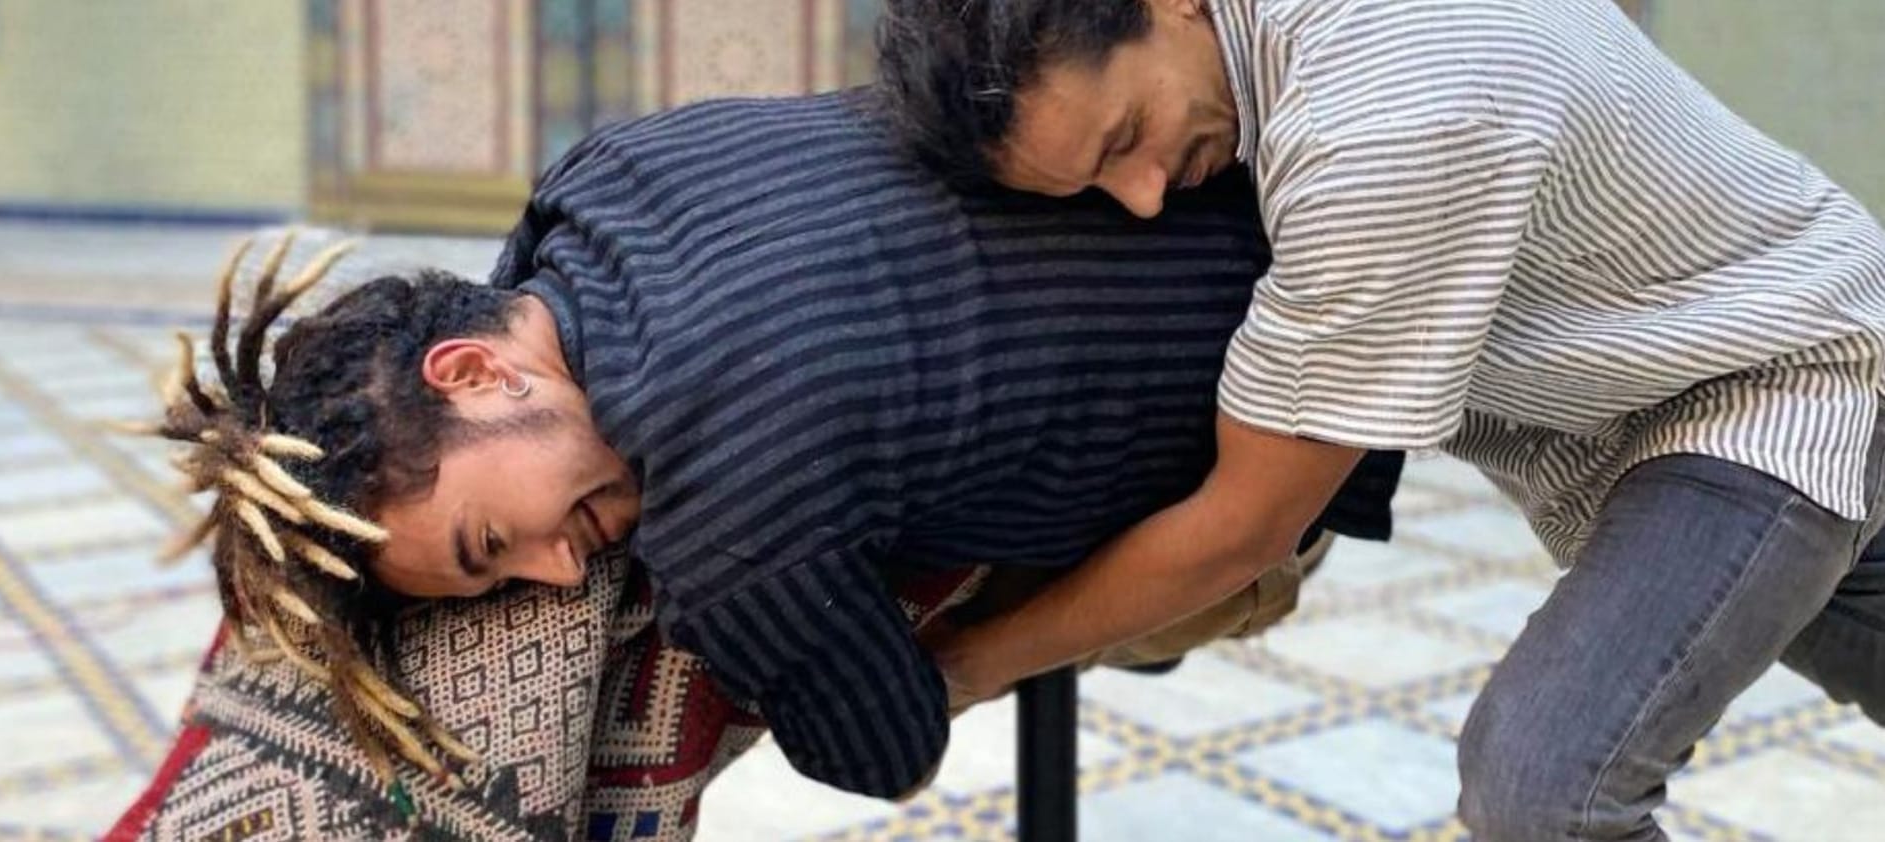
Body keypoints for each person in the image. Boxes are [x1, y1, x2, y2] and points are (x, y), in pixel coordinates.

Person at [108, 90, 1401, 838]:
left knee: (658, 633)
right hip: (1257, 194)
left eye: (494, 546)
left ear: (471, 369)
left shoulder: (729, 518)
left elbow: (880, 745)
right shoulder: (597, 172)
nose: (560, 563)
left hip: (1295, 440)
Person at [875, 0, 1885, 837]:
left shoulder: (1380, 126)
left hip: (1774, 378)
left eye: (1128, 138)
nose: (1141, 200)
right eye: (1090, 184)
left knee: (1545, 786)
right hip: (1750, 329)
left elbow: (1244, 525)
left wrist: (965, 663)